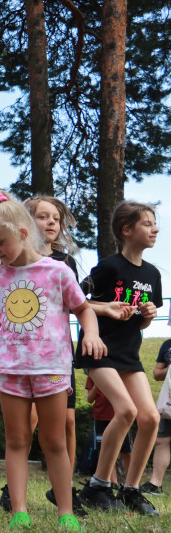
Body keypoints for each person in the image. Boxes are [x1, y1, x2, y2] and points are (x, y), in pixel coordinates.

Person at [0, 190, 103, 531]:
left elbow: (82, 309)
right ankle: (19, 511)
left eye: (0, 243)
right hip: (11, 370)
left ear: (22, 234)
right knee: (17, 440)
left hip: (50, 368)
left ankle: (66, 512)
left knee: (53, 441)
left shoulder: (57, 272)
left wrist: (90, 334)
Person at [75, 201, 162, 515]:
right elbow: (77, 301)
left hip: (128, 353)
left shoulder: (152, 274)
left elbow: (139, 320)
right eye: (147, 223)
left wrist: (148, 315)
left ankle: (131, 489)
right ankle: (98, 485)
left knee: (150, 417)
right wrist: (107, 306)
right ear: (127, 230)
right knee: (125, 411)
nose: (155, 228)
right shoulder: (109, 267)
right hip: (98, 347)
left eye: (155, 223)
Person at [24, 195, 81, 496]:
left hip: (60, 353)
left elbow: (77, 304)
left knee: (68, 422)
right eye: (43, 217)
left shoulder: (66, 262)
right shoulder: (18, 257)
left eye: (56, 219)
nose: (51, 223)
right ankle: (13, 485)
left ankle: (65, 488)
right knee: (30, 419)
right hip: (26, 352)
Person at [142, 338, 171, 495]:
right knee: (162, 440)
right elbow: (156, 374)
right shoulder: (167, 345)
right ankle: (155, 484)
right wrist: (168, 370)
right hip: (168, 402)